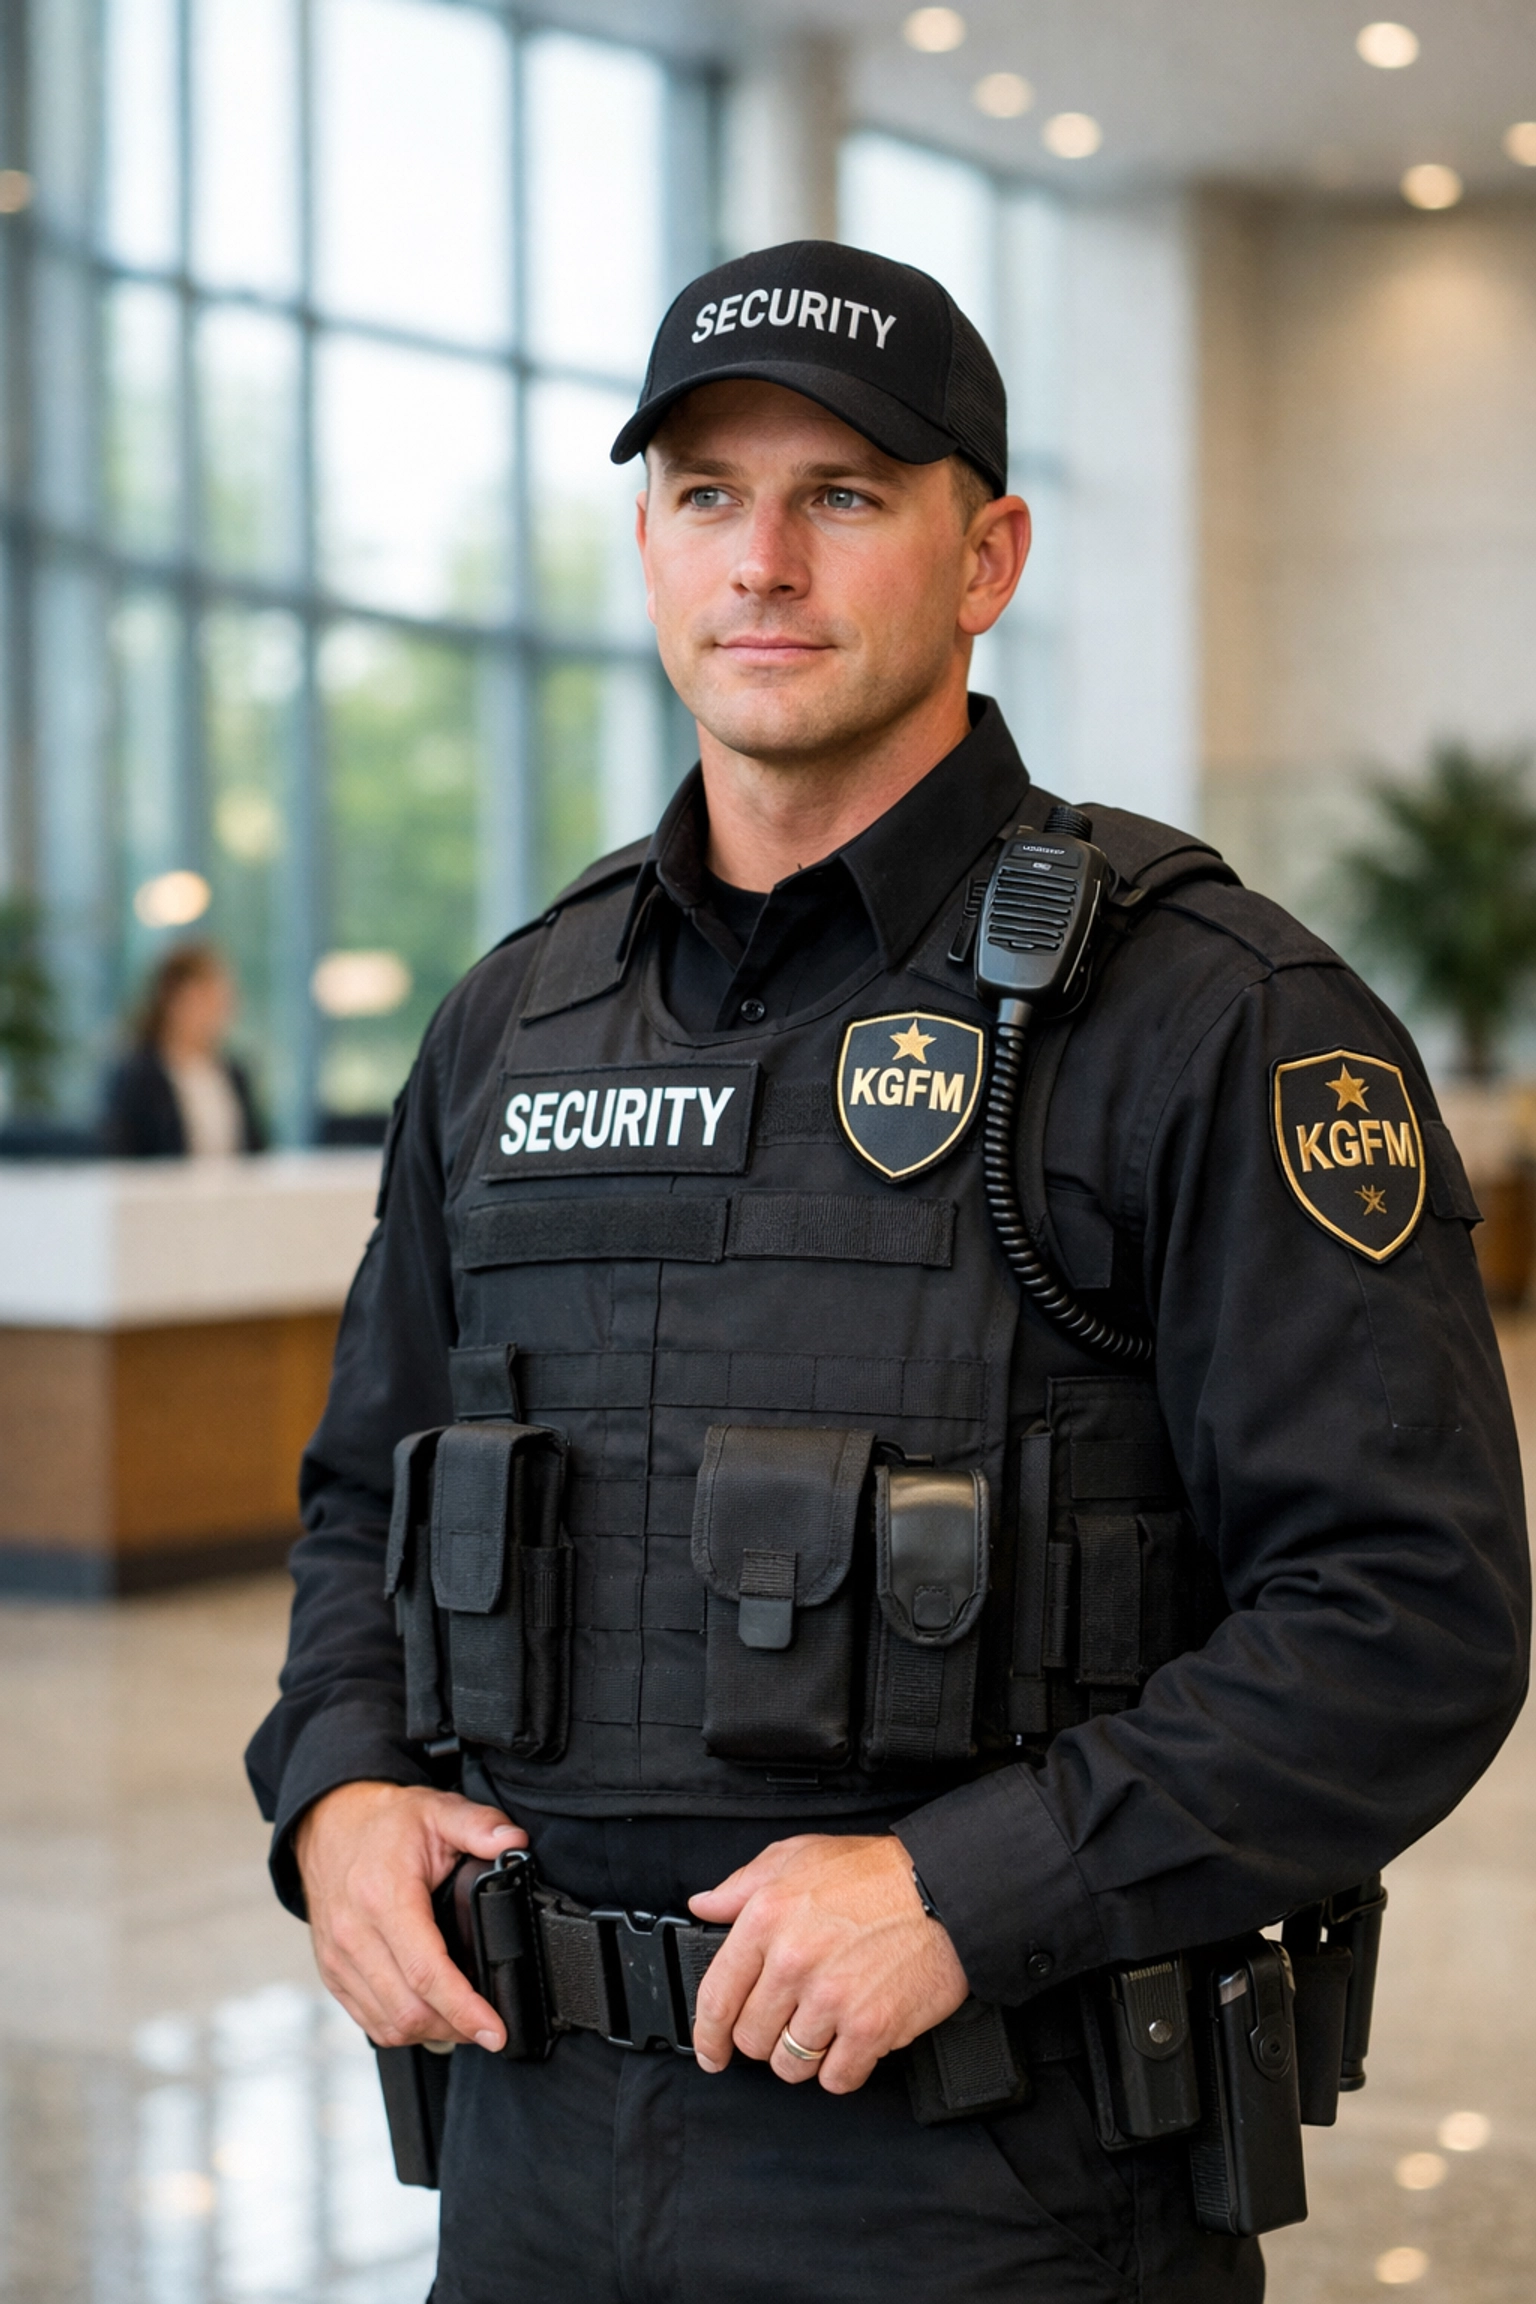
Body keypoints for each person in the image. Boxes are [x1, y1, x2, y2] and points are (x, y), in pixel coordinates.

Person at [247, 242, 1528, 2302]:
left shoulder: (1209, 1018)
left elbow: (1409, 1615)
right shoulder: (516, 1022)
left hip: (990, 2188)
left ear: (986, 553)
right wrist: (334, 1790)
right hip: (534, 2166)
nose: (762, 559)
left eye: (842, 494)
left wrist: (971, 1885)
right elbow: (355, 1509)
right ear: (650, 544)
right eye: (703, 496)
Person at [101, 940, 265, 1158]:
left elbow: (256, 1152)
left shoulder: (234, 1073)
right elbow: (126, 1154)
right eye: (204, 998)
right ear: (172, 999)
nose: (216, 1010)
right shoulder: (137, 1076)